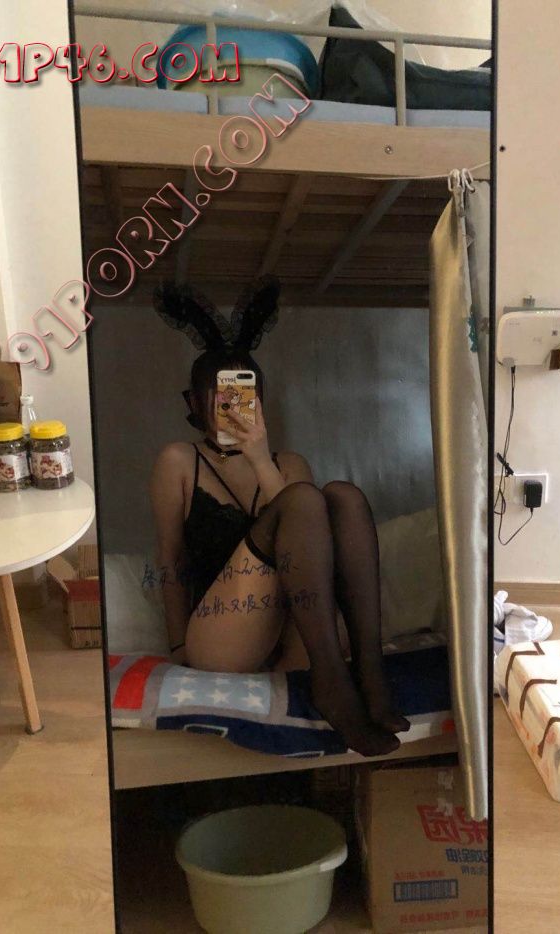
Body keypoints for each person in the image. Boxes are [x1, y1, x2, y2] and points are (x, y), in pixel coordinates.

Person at [150, 277, 409, 757]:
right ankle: (333, 686)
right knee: (302, 500)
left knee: (341, 497)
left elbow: (311, 545)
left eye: (243, 393)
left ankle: (370, 677)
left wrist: (259, 457)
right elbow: (170, 556)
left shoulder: (287, 464)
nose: (232, 405)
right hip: (222, 633)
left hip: (295, 634)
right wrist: (177, 646)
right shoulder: (179, 461)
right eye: (220, 394)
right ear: (196, 402)